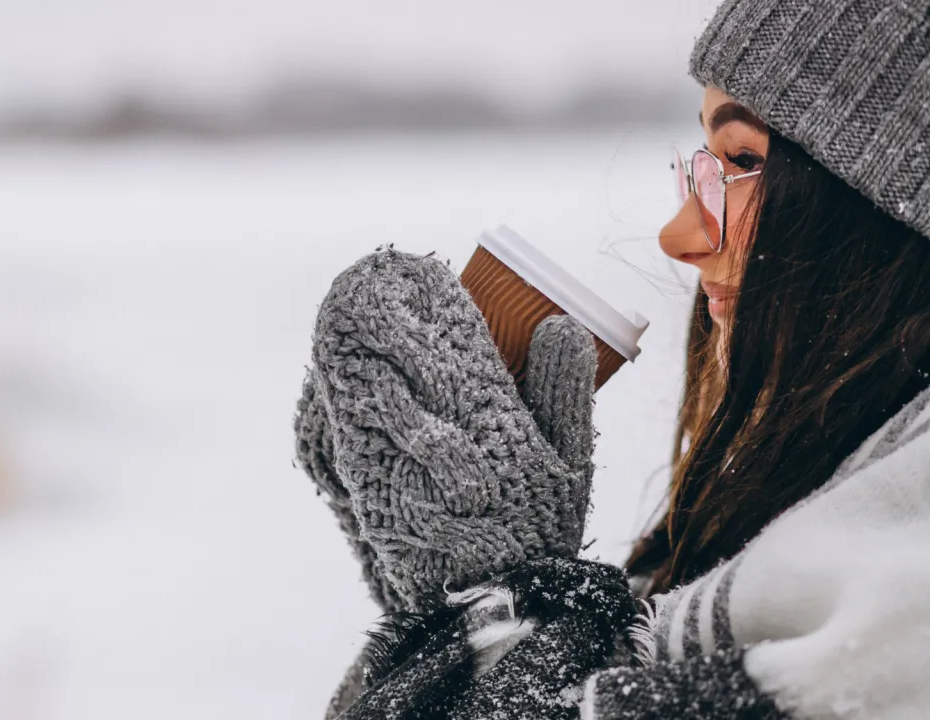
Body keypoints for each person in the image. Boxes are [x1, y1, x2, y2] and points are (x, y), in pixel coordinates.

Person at [293, 0, 930, 717]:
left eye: (746, 161)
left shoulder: (902, 617)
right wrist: (440, 603)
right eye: (701, 168)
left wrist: (497, 590)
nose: (680, 236)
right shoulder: (801, 544)